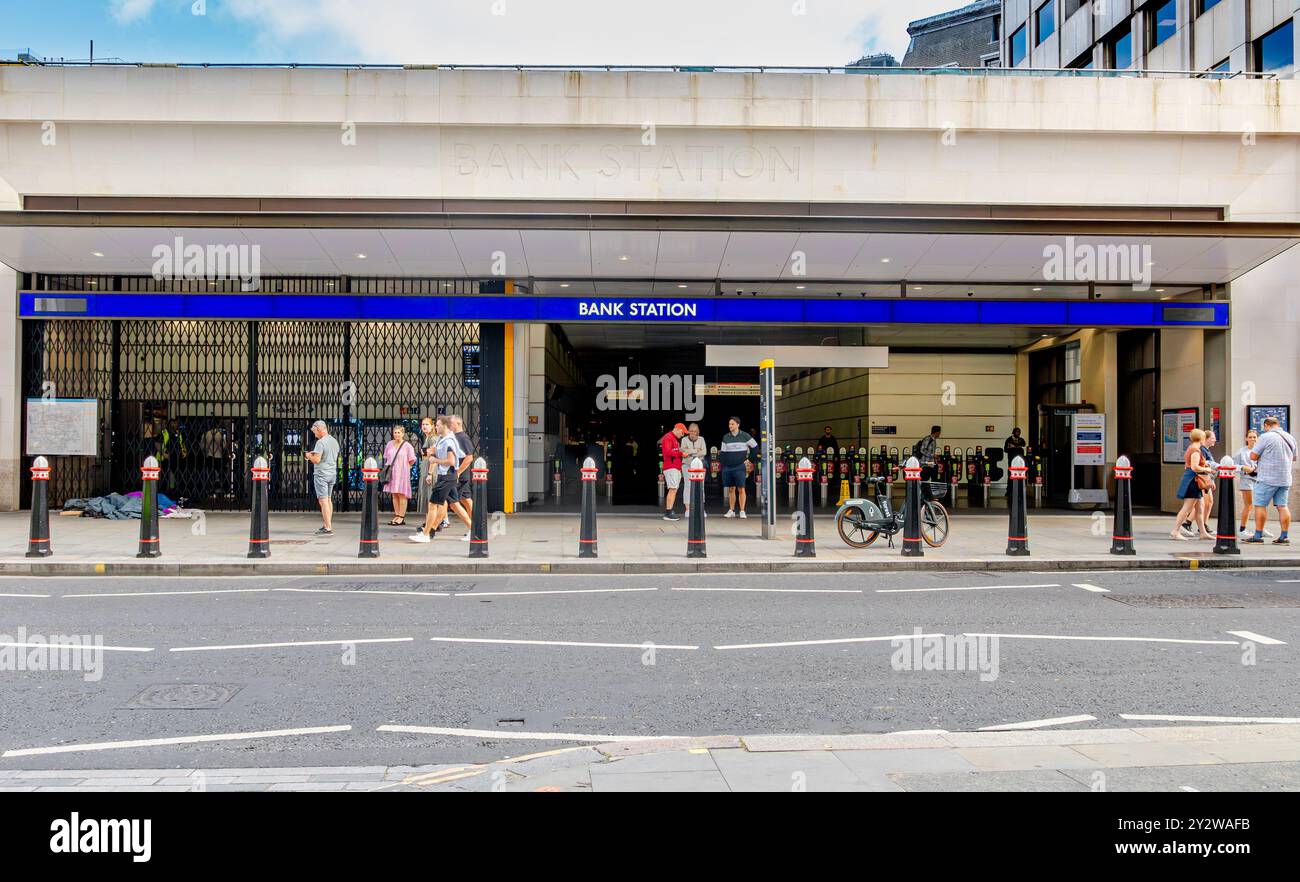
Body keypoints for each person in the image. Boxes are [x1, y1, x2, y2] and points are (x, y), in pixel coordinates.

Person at [409, 415, 464, 544]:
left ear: (444, 426)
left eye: (437, 425)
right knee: (454, 505)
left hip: (445, 476)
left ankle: (426, 533)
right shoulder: (442, 439)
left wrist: (434, 460)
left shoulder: (448, 441)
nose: (436, 427)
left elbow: (451, 461)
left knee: (433, 504)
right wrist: (431, 451)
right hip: (447, 476)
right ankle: (474, 530)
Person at [1245, 416, 1295, 545]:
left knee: (1260, 505)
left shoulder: (1265, 437)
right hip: (1285, 478)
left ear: (1266, 425)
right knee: (1282, 506)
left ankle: (1257, 535)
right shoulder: (1290, 437)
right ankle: (1284, 537)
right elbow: (1293, 458)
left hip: (1267, 477)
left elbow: (1253, 455)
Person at [1170, 428, 1214, 541]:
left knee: (1200, 508)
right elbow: (1194, 467)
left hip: (1192, 480)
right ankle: (1175, 531)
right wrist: (1208, 469)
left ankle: (1203, 532)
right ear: (1202, 439)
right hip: (1193, 481)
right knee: (1187, 508)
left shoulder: (1192, 448)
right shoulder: (1195, 450)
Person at [304, 419, 340, 536]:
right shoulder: (334, 441)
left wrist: (309, 455)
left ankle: (328, 527)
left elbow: (317, 460)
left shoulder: (320, 442)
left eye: (315, 432)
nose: (314, 434)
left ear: (319, 430)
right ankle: (327, 524)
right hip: (332, 474)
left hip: (321, 475)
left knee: (323, 500)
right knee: (328, 499)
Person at [719, 416, 758, 518]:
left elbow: (755, 447)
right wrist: (723, 466)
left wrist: (749, 460)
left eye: (732, 424)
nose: (730, 426)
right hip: (728, 467)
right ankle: (731, 510)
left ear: (738, 425)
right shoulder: (726, 437)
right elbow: (723, 453)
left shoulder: (745, 436)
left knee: (741, 488)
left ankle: (742, 511)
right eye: (729, 424)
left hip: (740, 466)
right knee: (731, 489)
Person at [381, 424, 417, 526]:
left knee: (401, 494)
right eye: (395, 432)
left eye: (398, 432)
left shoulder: (407, 445)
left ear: (403, 434)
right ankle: (396, 515)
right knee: (394, 494)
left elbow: (412, 459)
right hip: (392, 473)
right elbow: (386, 457)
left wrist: (405, 467)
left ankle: (401, 517)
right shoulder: (389, 444)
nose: (396, 434)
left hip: (402, 473)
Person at [448, 414, 475, 541]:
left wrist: (458, 472)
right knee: (466, 501)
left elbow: (469, 457)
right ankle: (476, 528)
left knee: (453, 503)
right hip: (460, 476)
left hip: (461, 476)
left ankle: (474, 529)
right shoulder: (454, 437)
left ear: (458, 424)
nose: (449, 425)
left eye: (451, 423)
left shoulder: (463, 438)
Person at [1234, 429, 1265, 537]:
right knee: (1249, 505)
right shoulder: (1241, 452)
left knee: (1261, 504)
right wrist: (1245, 468)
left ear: (1257, 439)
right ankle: (1242, 529)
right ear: (1246, 438)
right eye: (1250, 437)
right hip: (1247, 479)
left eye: (1254, 437)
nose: (1252, 439)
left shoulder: (1261, 451)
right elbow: (1233, 466)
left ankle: (1260, 529)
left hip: (1260, 479)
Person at [679, 422, 708, 520]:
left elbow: (704, 452)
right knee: (687, 485)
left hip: (699, 465)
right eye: (691, 431)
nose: (693, 433)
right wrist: (696, 450)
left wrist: (690, 451)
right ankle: (687, 509)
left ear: (698, 432)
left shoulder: (701, 439)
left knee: (701, 486)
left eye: (695, 431)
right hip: (686, 465)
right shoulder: (684, 439)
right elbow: (683, 451)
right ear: (688, 431)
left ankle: (701, 509)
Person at [659, 422, 686, 521]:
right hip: (671, 467)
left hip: (675, 467)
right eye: (682, 433)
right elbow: (667, 451)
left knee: (673, 489)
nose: (682, 435)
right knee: (672, 489)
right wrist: (681, 453)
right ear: (678, 429)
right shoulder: (668, 437)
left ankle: (669, 511)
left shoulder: (673, 438)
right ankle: (668, 512)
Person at [414, 416, 436, 518]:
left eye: (427, 424)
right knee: (427, 495)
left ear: (432, 426)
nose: (424, 426)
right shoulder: (426, 438)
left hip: (429, 469)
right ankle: (429, 521)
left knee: (430, 495)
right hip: (425, 467)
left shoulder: (433, 439)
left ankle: (433, 522)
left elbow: (434, 457)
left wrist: (430, 474)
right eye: (423, 424)